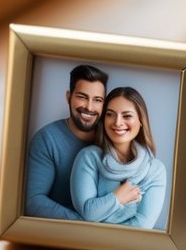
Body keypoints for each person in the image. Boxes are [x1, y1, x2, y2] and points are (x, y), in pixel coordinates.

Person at [70, 86, 167, 229]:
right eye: (110, 114)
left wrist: (101, 212)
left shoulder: (155, 170)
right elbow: (87, 213)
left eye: (127, 116)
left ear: (141, 120)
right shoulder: (88, 158)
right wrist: (118, 197)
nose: (117, 122)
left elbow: (142, 226)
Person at [25, 64, 108, 219]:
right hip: (63, 230)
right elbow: (33, 202)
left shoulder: (113, 138)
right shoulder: (47, 139)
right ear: (68, 97)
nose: (89, 107)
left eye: (97, 100)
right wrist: (84, 225)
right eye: (82, 97)